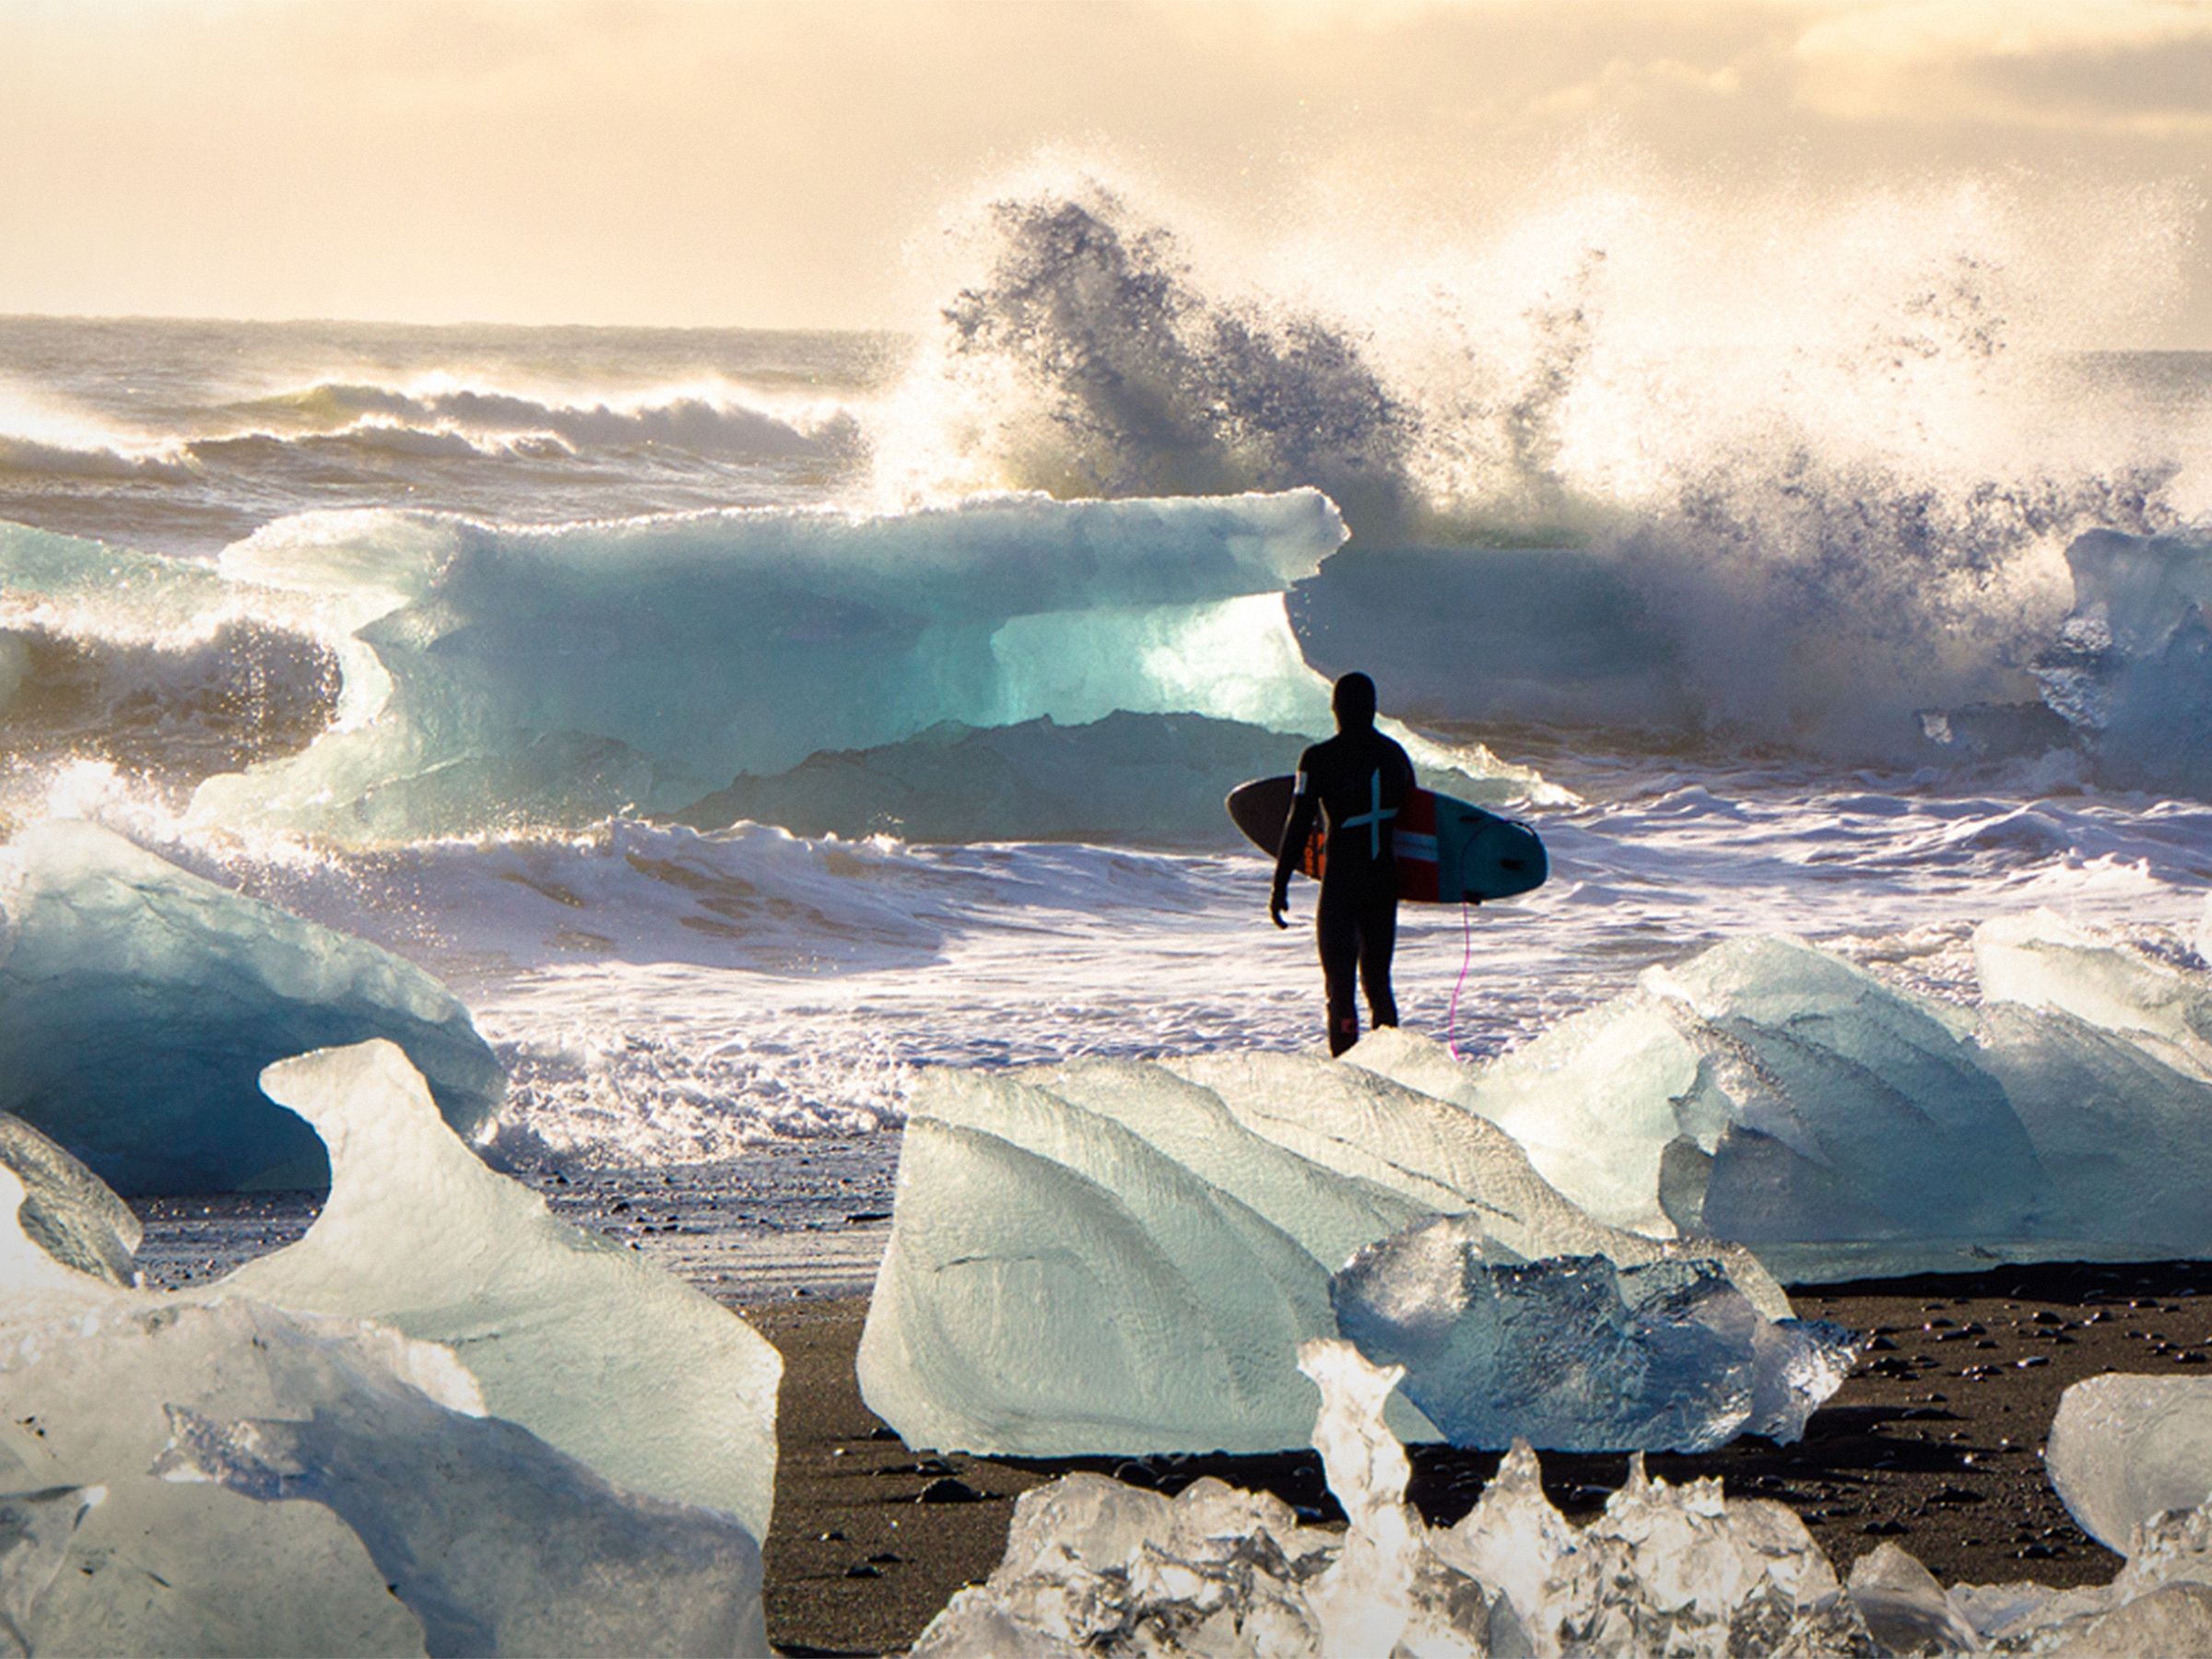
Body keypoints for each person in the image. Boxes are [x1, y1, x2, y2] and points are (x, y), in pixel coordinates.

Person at [1270, 671, 1416, 1056]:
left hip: (1343, 883)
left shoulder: (1317, 759)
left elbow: (1298, 823)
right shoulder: (1395, 756)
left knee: (1340, 987)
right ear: (1373, 709)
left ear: (1335, 708)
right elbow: (1416, 823)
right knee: (1379, 982)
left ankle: (1347, 1066)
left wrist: (1280, 883)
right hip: (1384, 880)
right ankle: (1392, 1067)